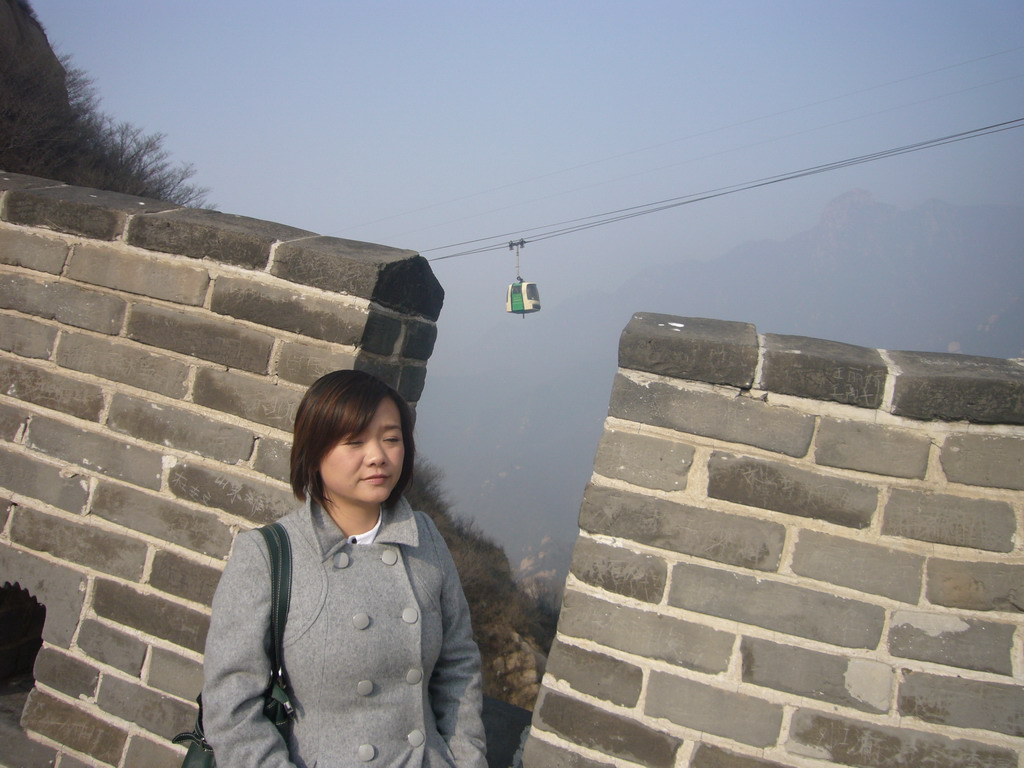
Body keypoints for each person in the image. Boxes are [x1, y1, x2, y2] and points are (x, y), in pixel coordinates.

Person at [202, 370, 487, 768]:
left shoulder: (423, 537)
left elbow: (458, 663)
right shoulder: (266, 556)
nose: (378, 456)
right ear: (314, 452)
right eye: (355, 441)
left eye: (391, 438)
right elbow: (230, 709)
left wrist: (467, 760)